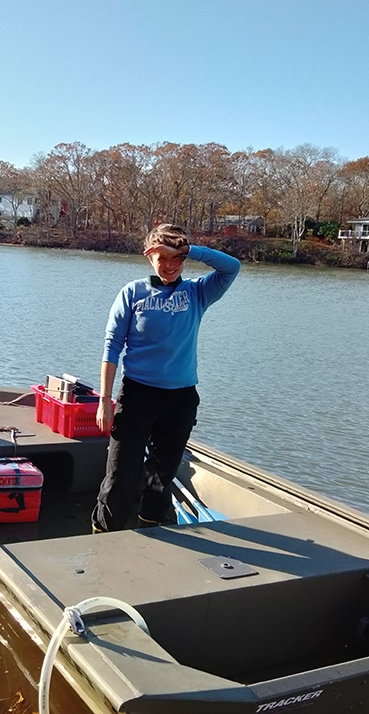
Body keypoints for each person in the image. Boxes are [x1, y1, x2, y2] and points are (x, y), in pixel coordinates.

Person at [92, 224, 240, 532]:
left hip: (181, 398)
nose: (170, 266)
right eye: (162, 258)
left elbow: (231, 267)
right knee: (121, 474)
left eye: (177, 259)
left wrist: (190, 249)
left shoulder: (197, 292)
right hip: (138, 396)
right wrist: (104, 401)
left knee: (162, 475)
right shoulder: (132, 293)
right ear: (149, 257)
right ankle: (103, 536)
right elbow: (112, 347)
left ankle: (151, 531)